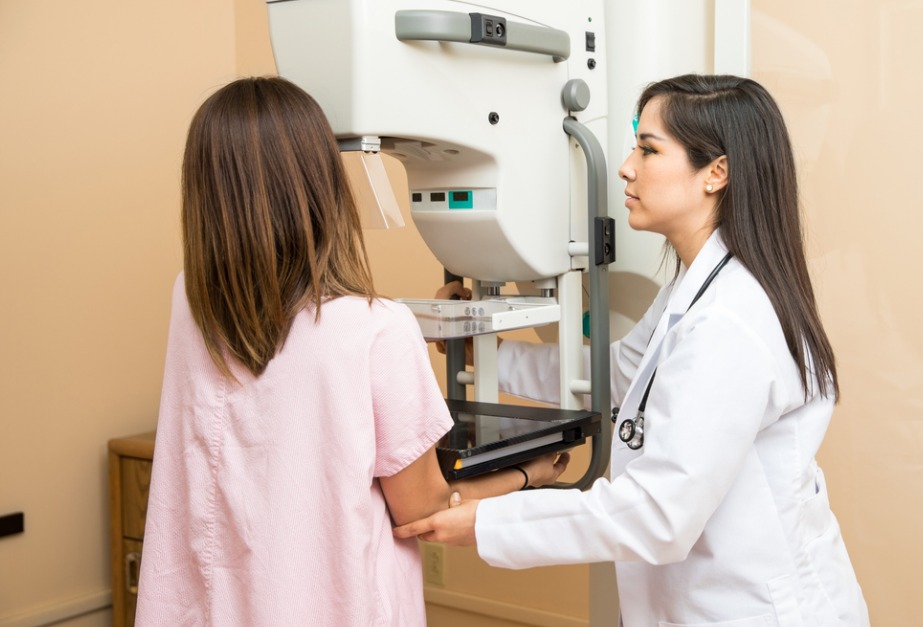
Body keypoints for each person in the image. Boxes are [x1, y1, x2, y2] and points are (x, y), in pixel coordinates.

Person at [397, 74, 869, 626]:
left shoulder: (729, 322)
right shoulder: (700, 287)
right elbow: (623, 372)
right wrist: (487, 350)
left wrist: (486, 523)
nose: (625, 167)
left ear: (716, 172)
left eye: (648, 149)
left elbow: (657, 514)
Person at [135, 76, 568, 627]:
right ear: (320, 184)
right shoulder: (378, 330)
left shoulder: (191, 301)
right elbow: (423, 511)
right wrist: (531, 473)